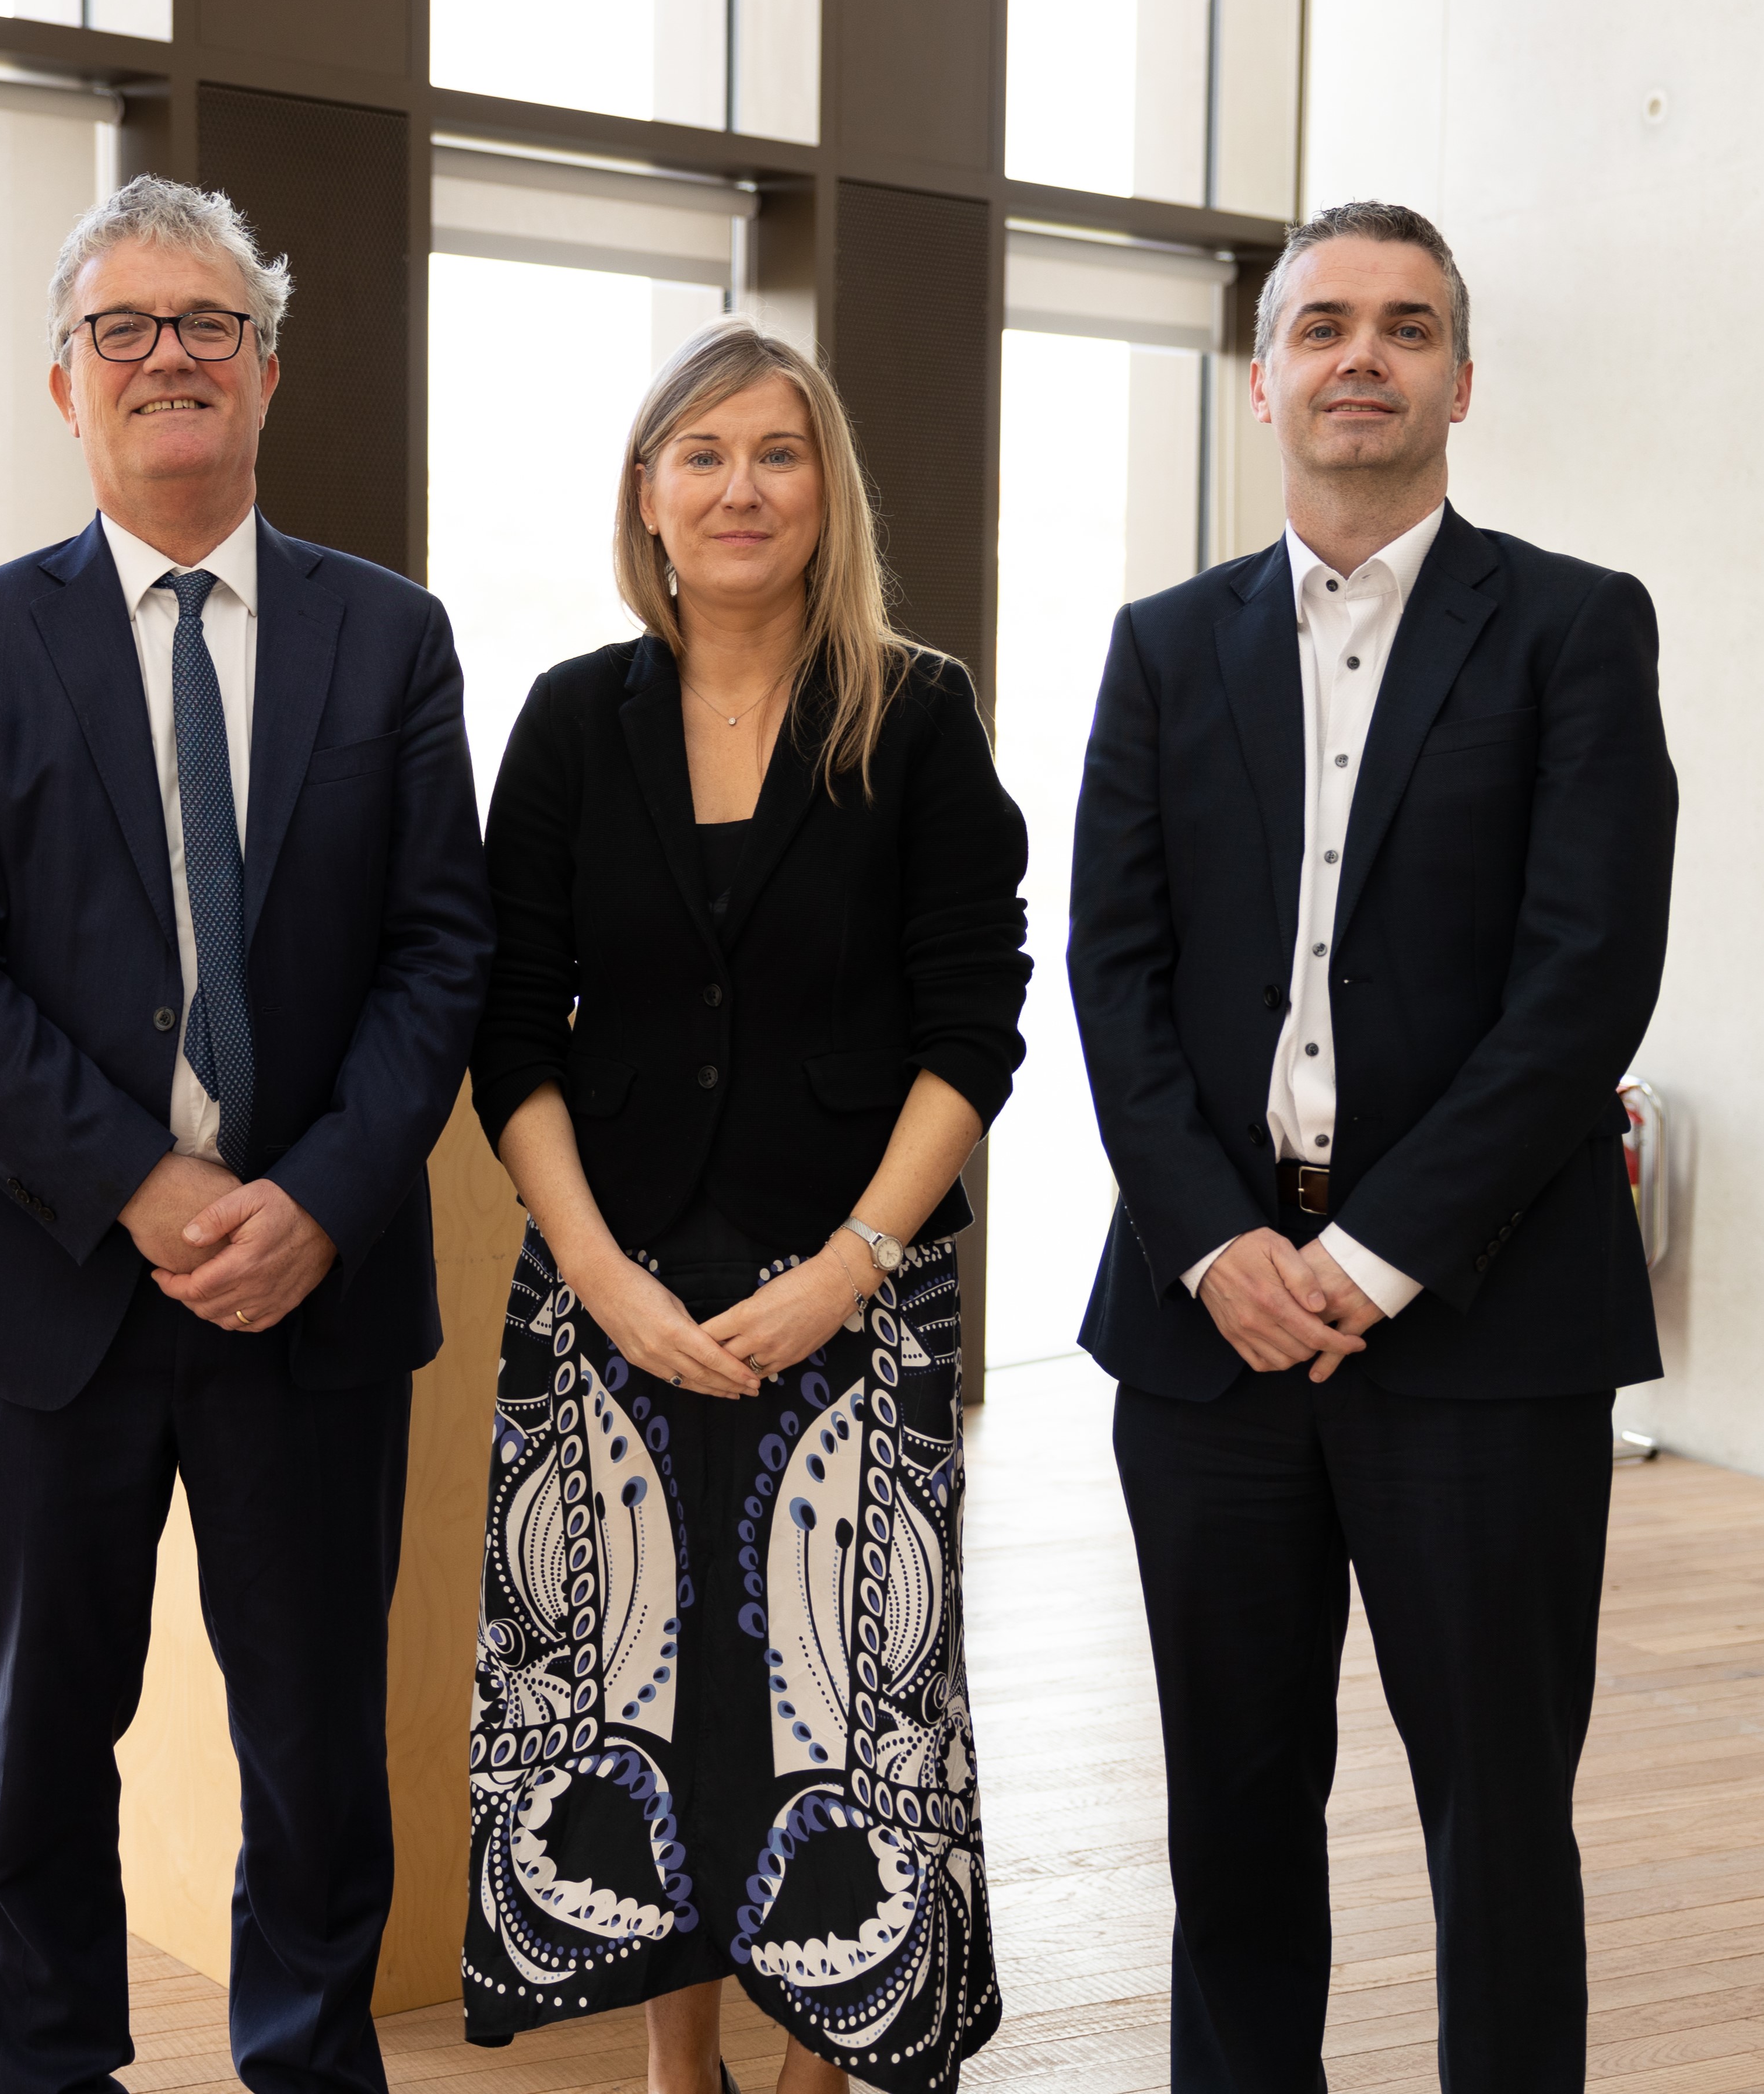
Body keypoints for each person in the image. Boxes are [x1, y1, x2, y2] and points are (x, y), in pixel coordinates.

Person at [0, 175, 492, 2094]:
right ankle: (45, 2070)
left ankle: (309, 2064)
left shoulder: (390, 641)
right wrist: (141, 1182)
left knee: (316, 1747)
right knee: (44, 1737)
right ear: (67, 387)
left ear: (269, 372)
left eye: (207, 323)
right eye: (124, 330)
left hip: (314, 1284)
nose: (168, 359)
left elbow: (442, 949)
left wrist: (313, 1198)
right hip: (50, 1286)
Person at [1068, 201, 1676, 2093]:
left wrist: (1371, 1256)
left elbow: (1586, 987)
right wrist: (1218, 1247)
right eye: (1324, 323)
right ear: (1261, 378)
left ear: (1460, 381)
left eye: (1406, 328)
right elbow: (1115, 975)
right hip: (1208, 1332)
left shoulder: (1577, 627)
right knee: (1232, 1831)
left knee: (1499, 1827)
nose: (1362, 356)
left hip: (1483, 1328)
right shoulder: (1165, 648)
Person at [461, 319, 1030, 2093]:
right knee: (645, 1706)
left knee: (844, 1716)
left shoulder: (917, 714)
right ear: (648, 495)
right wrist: (598, 1275)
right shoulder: (571, 718)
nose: (738, 488)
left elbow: (974, 1029)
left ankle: (818, 2068)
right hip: (611, 1301)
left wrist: (854, 1268)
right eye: (699, 455)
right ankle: (671, 2067)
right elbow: (510, 1032)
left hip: (852, 1300)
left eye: (775, 453)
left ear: (826, 489)